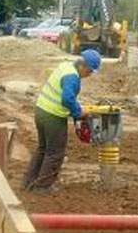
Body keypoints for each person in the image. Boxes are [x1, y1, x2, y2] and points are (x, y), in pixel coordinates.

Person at [23, 50, 102, 192]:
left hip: (41, 110)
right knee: (55, 153)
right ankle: (42, 187)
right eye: (89, 72)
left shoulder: (65, 67)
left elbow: (65, 95)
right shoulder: (72, 77)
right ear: (83, 66)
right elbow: (67, 99)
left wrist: (77, 108)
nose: (88, 75)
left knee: (43, 149)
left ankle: (29, 181)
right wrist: (79, 113)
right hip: (53, 117)